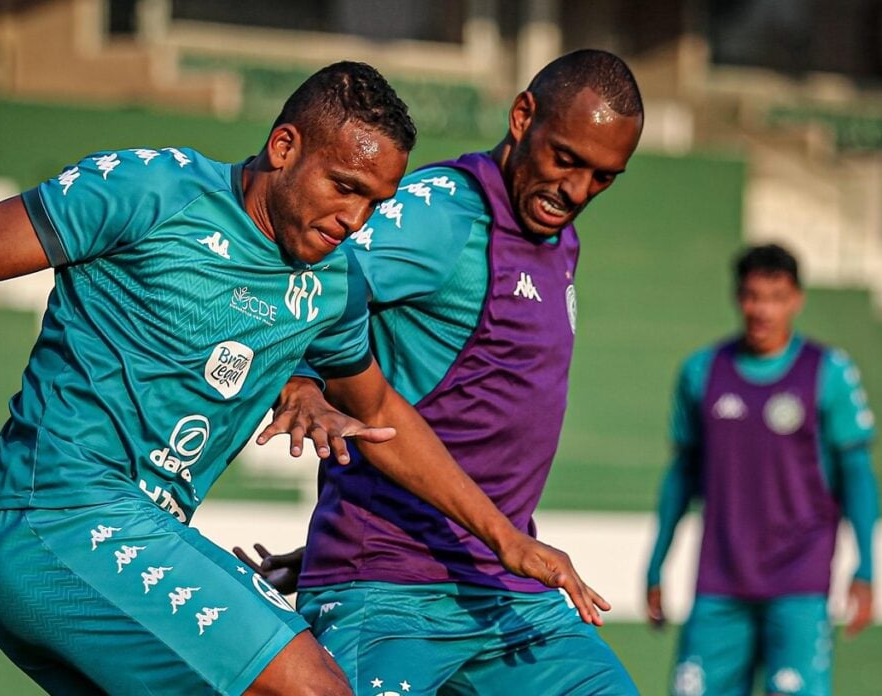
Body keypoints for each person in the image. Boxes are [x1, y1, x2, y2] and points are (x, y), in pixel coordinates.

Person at [0, 61, 600, 695]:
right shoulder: (152, 188)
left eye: (375, 202)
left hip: (133, 539)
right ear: (285, 146)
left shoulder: (331, 283)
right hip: (56, 515)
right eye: (345, 187)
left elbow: (380, 412)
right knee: (314, 688)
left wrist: (506, 540)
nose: (354, 219)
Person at [237, 49, 644, 694]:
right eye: (565, 159)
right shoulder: (443, 212)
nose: (576, 190)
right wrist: (302, 382)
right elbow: (313, 289)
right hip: (389, 590)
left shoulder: (559, 236)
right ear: (521, 117)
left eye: (603, 177)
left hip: (510, 594)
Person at [645, 244, 879, 696]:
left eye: (776, 296)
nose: (763, 309)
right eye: (753, 296)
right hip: (719, 580)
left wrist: (866, 567)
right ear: (737, 297)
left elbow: (857, 476)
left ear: (796, 299)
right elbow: (681, 476)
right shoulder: (702, 372)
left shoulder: (827, 372)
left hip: (800, 582)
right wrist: (656, 564)